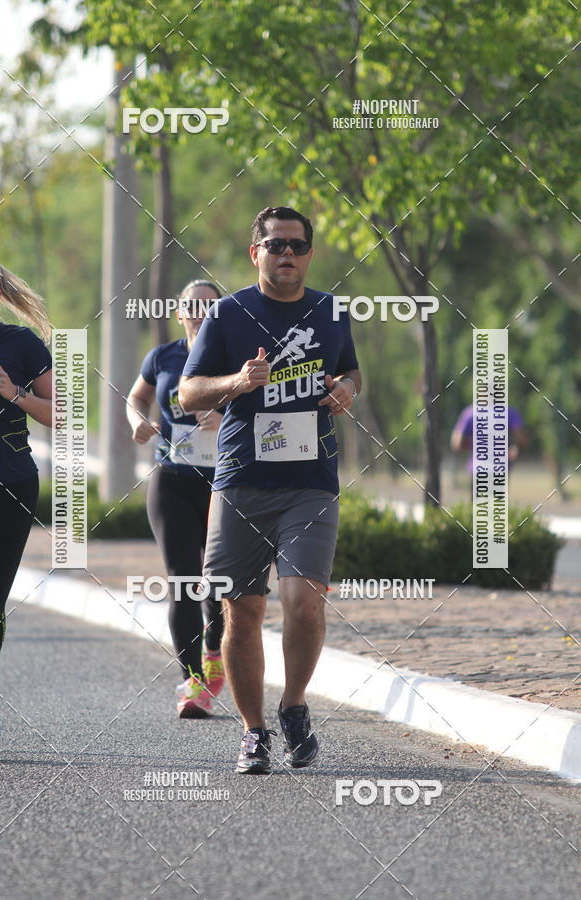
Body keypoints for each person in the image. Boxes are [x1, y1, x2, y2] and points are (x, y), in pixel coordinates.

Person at [180, 206, 361, 773]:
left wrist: (347, 390)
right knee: (243, 611)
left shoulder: (331, 311)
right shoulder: (227, 314)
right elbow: (188, 393)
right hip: (242, 481)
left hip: (311, 482)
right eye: (276, 245)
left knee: (305, 604)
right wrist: (237, 381)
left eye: (298, 246)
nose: (288, 254)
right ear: (254, 252)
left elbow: (351, 370)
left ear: (310, 254)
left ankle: (294, 706)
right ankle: (253, 731)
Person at [127, 280, 225, 718]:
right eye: (192, 307)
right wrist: (137, 419)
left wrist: (224, 417)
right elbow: (136, 397)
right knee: (183, 581)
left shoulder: (234, 359)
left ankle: (214, 649)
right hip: (171, 480)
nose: (201, 314)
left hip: (224, 482)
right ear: (179, 313)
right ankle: (193, 683)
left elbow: (261, 410)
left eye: (210, 307)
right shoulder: (162, 357)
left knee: (219, 582)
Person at [0, 256, 53, 756]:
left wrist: (15, 392)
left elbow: (63, 413)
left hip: (9, 486)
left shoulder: (22, 344)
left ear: (0, 300)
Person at [451, 404, 527, 471]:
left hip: (478, 467)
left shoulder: (470, 413)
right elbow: (521, 440)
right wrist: (513, 451)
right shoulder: (509, 413)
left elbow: (457, 443)